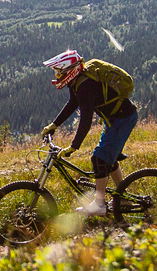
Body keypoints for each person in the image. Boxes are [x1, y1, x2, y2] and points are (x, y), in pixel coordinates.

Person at [39, 50, 138, 216]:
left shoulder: (86, 85)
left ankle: (99, 204)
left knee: (99, 158)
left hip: (123, 119)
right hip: (114, 120)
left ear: (69, 71)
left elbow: (85, 121)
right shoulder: (77, 82)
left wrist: (73, 146)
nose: (56, 76)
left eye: (58, 72)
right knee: (107, 159)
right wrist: (54, 125)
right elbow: (72, 103)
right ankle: (124, 198)